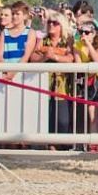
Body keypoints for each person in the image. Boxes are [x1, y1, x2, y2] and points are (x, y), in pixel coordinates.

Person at [30, 9, 76, 145]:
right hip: (44, 85)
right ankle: (50, 147)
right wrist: (45, 57)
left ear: (61, 25)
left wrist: (54, 56)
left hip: (63, 86)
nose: (51, 25)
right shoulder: (42, 41)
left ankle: (61, 146)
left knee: (63, 120)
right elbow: (33, 57)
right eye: (49, 22)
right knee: (46, 117)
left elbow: (70, 58)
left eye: (55, 23)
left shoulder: (68, 41)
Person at [73, 21, 98, 147]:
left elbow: (97, 60)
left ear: (94, 33)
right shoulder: (77, 44)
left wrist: (89, 45)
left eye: (87, 32)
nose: (84, 35)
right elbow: (79, 65)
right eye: (81, 32)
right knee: (93, 116)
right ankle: (94, 146)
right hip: (89, 84)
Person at [0, 1, 38, 78]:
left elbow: (26, 56)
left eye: (17, 14)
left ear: (25, 16)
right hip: (4, 75)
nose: (14, 16)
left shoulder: (30, 33)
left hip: (22, 76)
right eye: (13, 14)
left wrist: (13, 72)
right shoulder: (4, 32)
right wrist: (6, 71)